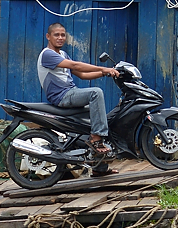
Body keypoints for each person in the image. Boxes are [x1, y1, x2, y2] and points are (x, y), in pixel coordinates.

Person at [38, 22, 119, 155]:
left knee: (97, 113)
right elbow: (76, 66)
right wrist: (104, 68)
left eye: (63, 35)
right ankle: (96, 138)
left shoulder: (63, 54)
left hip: (70, 92)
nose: (60, 38)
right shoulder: (47, 54)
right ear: (48, 36)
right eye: (56, 35)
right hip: (62, 96)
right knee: (96, 93)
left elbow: (82, 75)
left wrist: (105, 73)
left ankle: (93, 156)